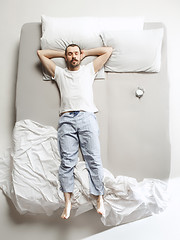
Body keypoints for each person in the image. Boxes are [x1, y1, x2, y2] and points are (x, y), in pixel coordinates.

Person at [37, 44, 113, 219]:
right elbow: (41, 53)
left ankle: (99, 198)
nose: (73, 57)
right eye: (70, 54)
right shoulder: (60, 73)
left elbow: (108, 51)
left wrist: (87, 53)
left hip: (87, 117)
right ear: (66, 57)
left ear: (80, 55)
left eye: (76, 54)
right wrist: (62, 54)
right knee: (67, 162)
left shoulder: (88, 70)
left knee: (93, 158)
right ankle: (68, 203)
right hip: (66, 120)